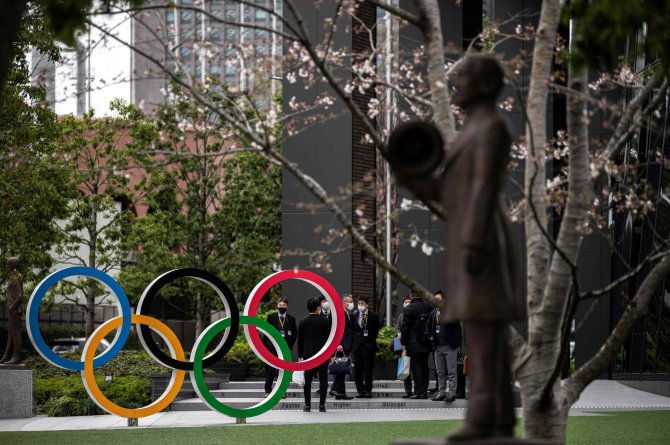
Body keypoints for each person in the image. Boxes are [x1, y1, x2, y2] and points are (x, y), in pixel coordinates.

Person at [388, 55, 524, 439]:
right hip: (471, 236)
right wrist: (412, 177)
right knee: (480, 336)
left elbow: (482, 187)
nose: (456, 85)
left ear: (482, 84)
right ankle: (489, 418)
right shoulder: (472, 130)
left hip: (481, 240)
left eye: (462, 78)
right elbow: (452, 192)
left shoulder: (491, 127)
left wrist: (475, 243)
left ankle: (489, 420)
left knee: (485, 336)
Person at [298, 296, 331, 412]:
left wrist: (300, 356)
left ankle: (307, 405)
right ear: (318, 308)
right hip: (322, 355)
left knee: (307, 381)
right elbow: (328, 340)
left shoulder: (303, 321)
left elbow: (300, 340)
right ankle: (322, 405)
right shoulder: (325, 321)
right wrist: (330, 356)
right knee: (323, 380)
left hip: (308, 355)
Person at [428, 290, 462, 402]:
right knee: (440, 372)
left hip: (450, 347)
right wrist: (431, 337)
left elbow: (458, 330)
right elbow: (430, 328)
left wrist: (456, 345)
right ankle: (441, 393)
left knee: (452, 371)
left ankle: (452, 393)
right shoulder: (433, 313)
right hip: (438, 347)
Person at [400, 293, 433, 399]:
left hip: (413, 343)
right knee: (425, 367)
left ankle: (419, 392)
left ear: (411, 297)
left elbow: (405, 328)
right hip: (426, 342)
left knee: (416, 368)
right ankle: (424, 391)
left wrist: (403, 343)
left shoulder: (409, 309)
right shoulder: (429, 307)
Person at [262, 297, 297, 397]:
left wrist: (289, 345)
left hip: (284, 348)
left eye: (284, 305)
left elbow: (294, 333)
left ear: (287, 306)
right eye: (280, 305)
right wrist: (265, 347)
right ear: (277, 306)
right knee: (270, 370)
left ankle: (282, 391)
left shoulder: (291, 319)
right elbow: (266, 332)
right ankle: (267, 390)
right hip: (272, 348)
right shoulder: (271, 317)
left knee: (283, 370)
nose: (282, 307)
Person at [351, 295, 380, 398]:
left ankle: (368, 390)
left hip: (369, 346)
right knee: (357, 369)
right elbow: (352, 330)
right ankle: (360, 390)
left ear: (367, 304)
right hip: (357, 346)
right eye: (359, 304)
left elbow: (376, 331)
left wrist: (369, 340)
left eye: (362, 304)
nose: (360, 306)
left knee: (368, 369)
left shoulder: (373, 316)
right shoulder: (354, 315)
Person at [330, 294, 354, 400]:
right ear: (343, 302)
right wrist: (339, 344)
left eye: (351, 301)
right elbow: (338, 330)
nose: (351, 304)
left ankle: (341, 393)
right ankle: (334, 389)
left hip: (346, 345)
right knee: (341, 369)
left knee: (342, 369)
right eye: (349, 301)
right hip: (341, 346)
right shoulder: (340, 314)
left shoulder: (347, 313)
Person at [0, 257, 23, 364]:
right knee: (11, 333)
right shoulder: (13, 276)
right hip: (12, 310)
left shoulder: (15, 277)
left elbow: (19, 296)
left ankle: (16, 356)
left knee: (15, 334)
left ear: (13, 265)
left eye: (8, 264)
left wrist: (12, 307)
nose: (7, 266)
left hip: (14, 310)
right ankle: (7, 355)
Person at [396, 295, 414, 398]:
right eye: (406, 302)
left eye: (409, 302)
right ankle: (408, 391)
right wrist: (399, 333)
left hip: (412, 345)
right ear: (403, 304)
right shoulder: (401, 316)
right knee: (405, 369)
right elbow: (398, 327)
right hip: (403, 346)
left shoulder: (414, 315)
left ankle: (417, 390)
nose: (407, 304)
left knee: (415, 369)